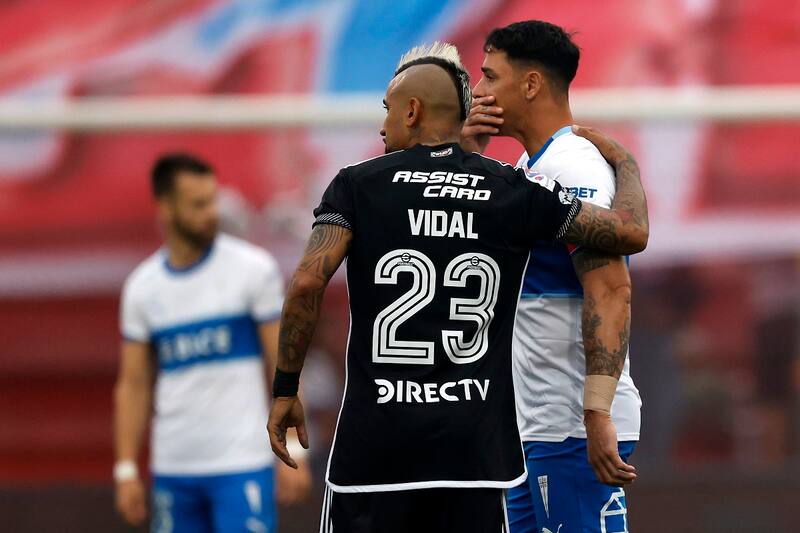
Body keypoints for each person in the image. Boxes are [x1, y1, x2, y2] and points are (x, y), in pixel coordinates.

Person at [267, 42, 648, 533]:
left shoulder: (356, 185)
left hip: (376, 449)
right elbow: (630, 232)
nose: (383, 127)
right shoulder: (508, 190)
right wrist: (628, 168)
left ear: (412, 109)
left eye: (387, 110)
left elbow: (305, 285)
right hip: (476, 458)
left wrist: (285, 388)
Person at [461, 20, 644, 533]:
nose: (479, 90)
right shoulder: (527, 166)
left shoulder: (573, 167)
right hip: (534, 426)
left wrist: (596, 414)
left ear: (532, 84)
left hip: (571, 429)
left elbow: (610, 289)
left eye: (490, 76)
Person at [113, 153, 311, 533]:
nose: (211, 212)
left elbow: (282, 364)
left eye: (213, 200)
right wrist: (125, 471)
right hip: (173, 468)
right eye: (198, 204)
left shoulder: (253, 270)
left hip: (241, 464)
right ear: (166, 207)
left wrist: (296, 452)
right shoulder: (142, 288)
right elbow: (133, 385)